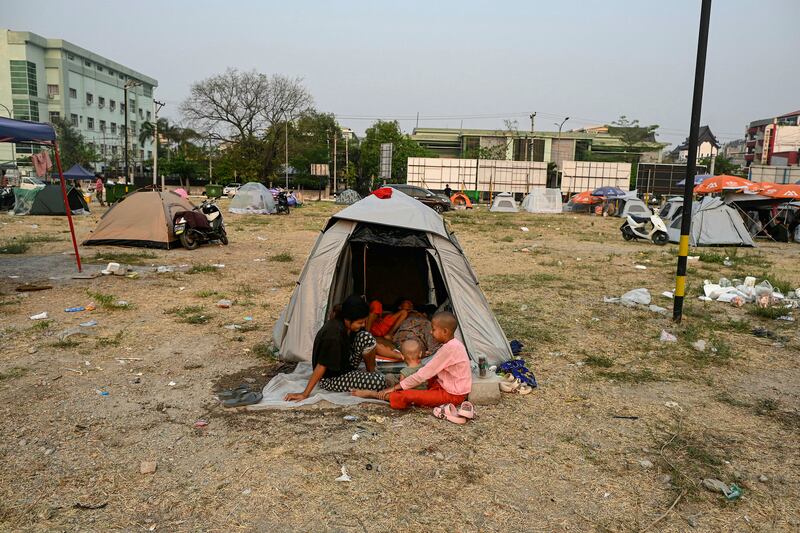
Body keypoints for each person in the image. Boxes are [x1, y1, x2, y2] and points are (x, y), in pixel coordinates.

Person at [352, 311, 471, 409]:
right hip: (442, 384)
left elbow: (423, 374)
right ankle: (399, 386)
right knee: (417, 378)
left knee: (408, 395)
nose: (430, 332)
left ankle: (374, 394)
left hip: (452, 395)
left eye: (433, 329)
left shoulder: (450, 349)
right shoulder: (452, 345)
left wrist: (396, 387)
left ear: (445, 331)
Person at [284, 295, 386, 401]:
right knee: (379, 382)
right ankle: (370, 379)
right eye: (360, 322)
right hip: (332, 378)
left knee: (366, 337)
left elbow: (372, 345)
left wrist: (397, 355)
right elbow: (322, 365)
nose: (363, 325)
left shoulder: (348, 325)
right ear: (347, 319)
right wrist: (305, 394)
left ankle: (370, 374)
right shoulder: (333, 335)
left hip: (346, 365)